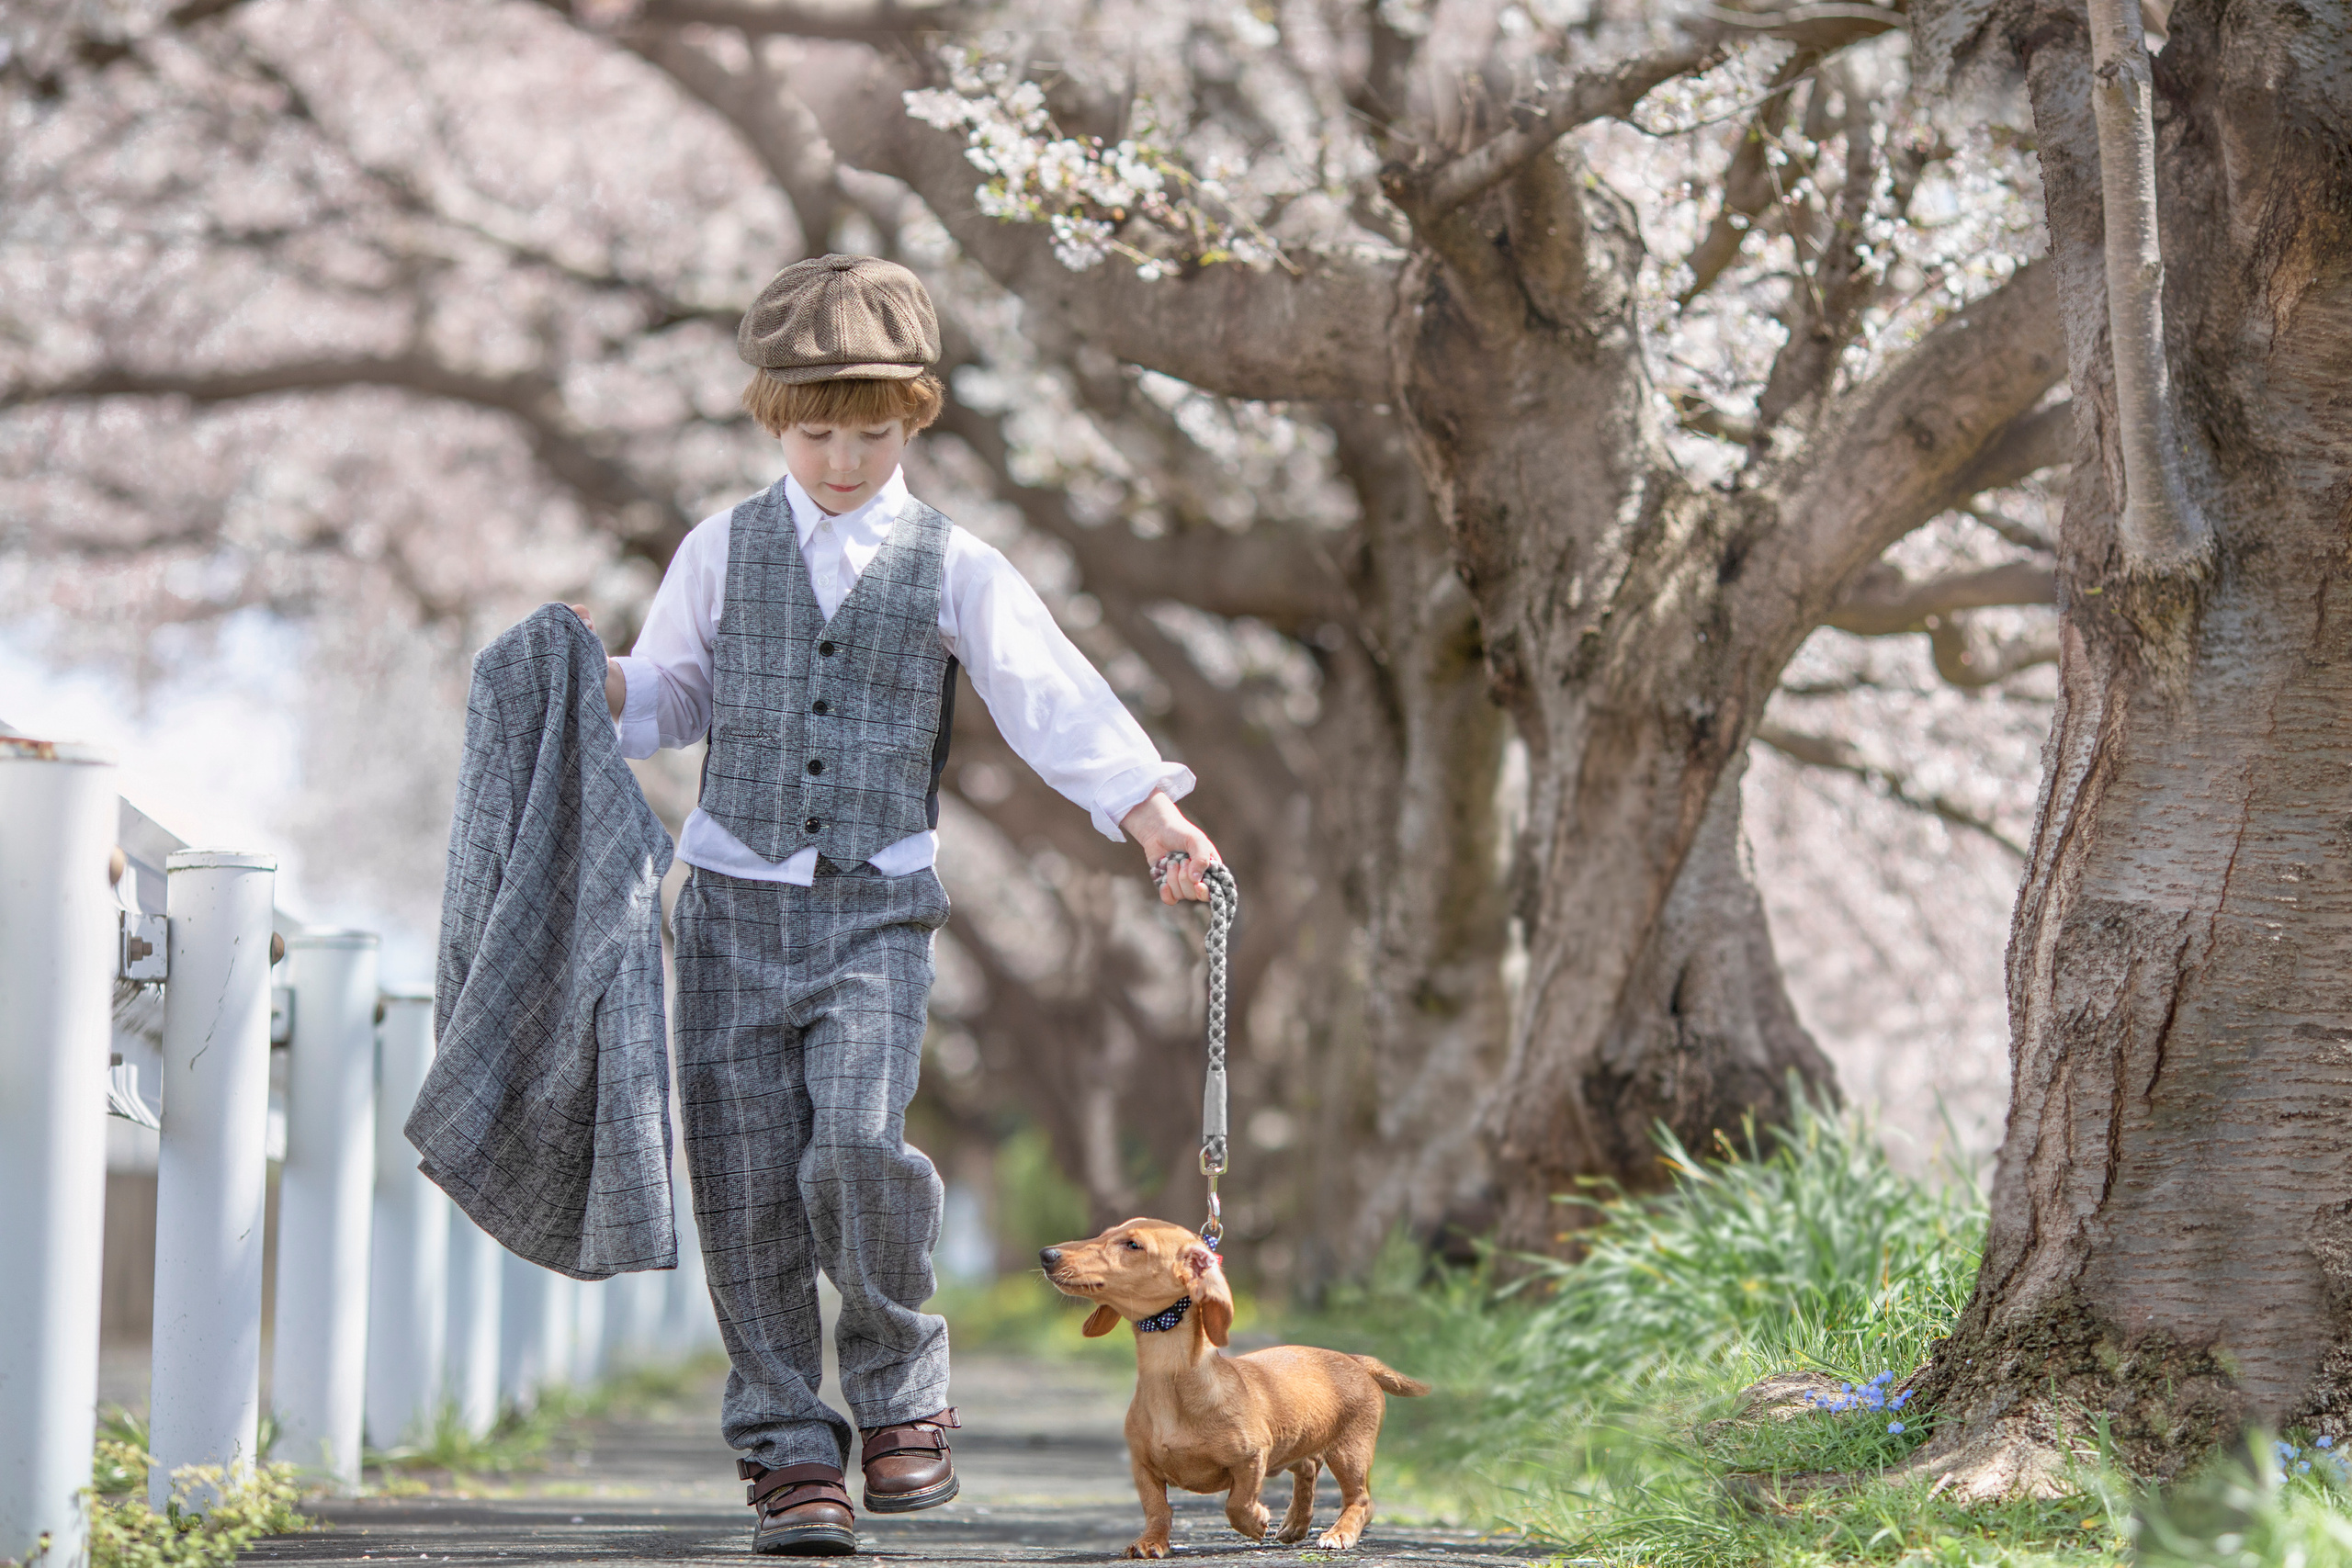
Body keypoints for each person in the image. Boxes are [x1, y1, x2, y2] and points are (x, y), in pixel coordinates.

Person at [578, 254, 1221, 1557]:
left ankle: (900, 1388)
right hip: (730, 907)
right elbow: (680, 693)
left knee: (856, 1151)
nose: (843, 461)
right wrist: (604, 687)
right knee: (747, 1182)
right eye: (817, 434)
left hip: (876, 912)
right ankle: (786, 1446)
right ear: (774, 419)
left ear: (915, 418)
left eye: (872, 434)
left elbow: (1049, 695)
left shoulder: (952, 563)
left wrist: (1151, 813)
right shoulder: (720, 548)